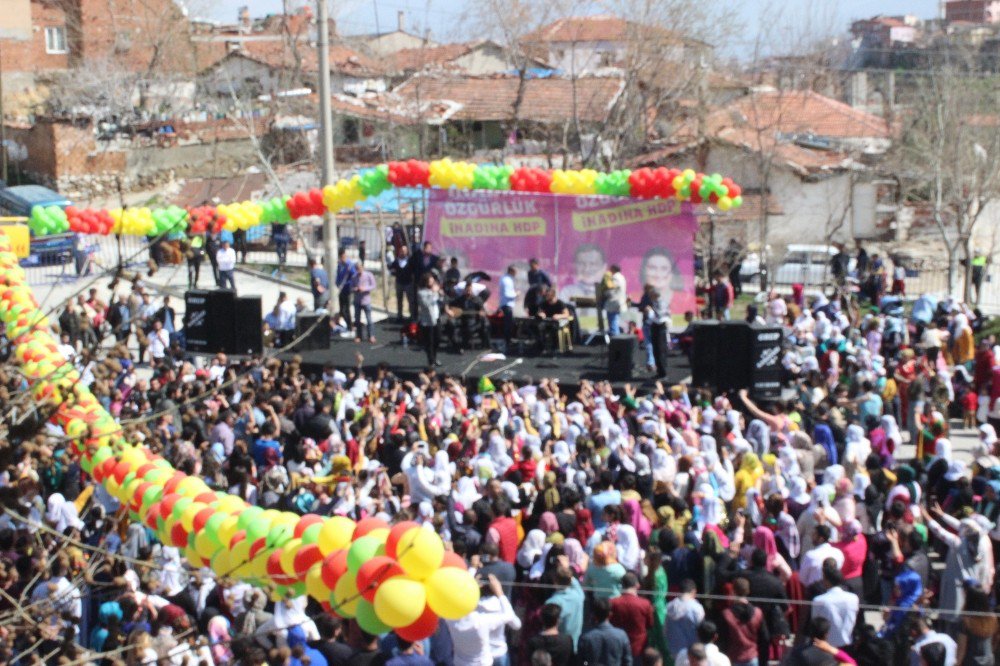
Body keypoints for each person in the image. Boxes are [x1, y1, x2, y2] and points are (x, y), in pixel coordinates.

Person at [446, 574, 516, 666]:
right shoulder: (481, 621)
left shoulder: (450, 618)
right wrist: (500, 593)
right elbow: (509, 615)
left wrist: (470, 586)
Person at [810, 563, 858, 648]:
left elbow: (815, 623)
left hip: (826, 646)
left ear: (827, 581)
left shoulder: (819, 600)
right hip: (848, 644)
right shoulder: (854, 598)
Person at [719, 578, 765, 666]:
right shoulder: (757, 613)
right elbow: (764, 638)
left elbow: (723, 639)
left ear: (733, 591)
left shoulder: (726, 614)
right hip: (753, 658)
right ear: (748, 591)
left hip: (734, 658)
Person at [609, 572, 653, 660]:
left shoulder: (612, 602)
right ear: (637, 585)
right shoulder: (645, 604)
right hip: (638, 648)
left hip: (617, 647)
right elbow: (650, 625)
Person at [578, 597, 632, 666]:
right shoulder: (621, 635)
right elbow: (627, 661)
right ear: (610, 614)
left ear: (593, 615)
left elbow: (581, 661)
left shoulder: (585, 637)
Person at [666, 579, 705, 657]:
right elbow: (702, 632)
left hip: (674, 653)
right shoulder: (696, 608)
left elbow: (665, 630)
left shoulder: (669, 606)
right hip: (692, 654)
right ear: (694, 592)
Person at [417, 273, 443, 367]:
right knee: (430, 342)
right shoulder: (421, 292)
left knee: (438, 339)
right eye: (430, 281)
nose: (432, 283)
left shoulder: (433, 291)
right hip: (428, 321)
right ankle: (431, 360)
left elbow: (440, 300)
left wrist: (440, 294)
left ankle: (435, 357)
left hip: (436, 318)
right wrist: (434, 292)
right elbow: (426, 304)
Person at [535, 288, 571, 354]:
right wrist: (541, 314)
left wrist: (559, 316)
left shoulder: (560, 303)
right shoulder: (544, 303)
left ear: (552, 296)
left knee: (555, 328)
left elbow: (567, 314)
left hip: (558, 321)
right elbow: (540, 312)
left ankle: (555, 347)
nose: (546, 297)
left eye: (548, 296)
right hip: (548, 321)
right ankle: (542, 347)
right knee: (540, 327)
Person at [389, 244, 416, 321]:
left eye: (404, 251)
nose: (403, 252)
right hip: (399, 283)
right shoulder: (396, 261)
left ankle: (412, 316)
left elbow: (413, 270)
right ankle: (399, 315)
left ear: (407, 252)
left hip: (408, 283)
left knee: (410, 300)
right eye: (401, 251)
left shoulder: (410, 261)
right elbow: (391, 269)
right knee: (399, 300)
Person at [353, 263, 377, 344]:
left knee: (369, 319)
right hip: (357, 301)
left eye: (360, 268)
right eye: (357, 268)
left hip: (366, 300)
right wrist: (355, 289)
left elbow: (373, 285)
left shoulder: (369, 275)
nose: (358, 270)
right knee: (357, 319)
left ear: (362, 267)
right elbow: (351, 287)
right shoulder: (354, 277)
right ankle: (358, 336)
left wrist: (365, 289)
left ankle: (371, 335)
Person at [336, 249, 358, 333]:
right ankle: (346, 324)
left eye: (343, 256)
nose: (342, 258)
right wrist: (337, 283)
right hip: (341, 289)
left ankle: (350, 326)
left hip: (347, 290)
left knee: (346, 309)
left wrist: (349, 285)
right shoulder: (340, 264)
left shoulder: (349, 265)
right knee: (341, 309)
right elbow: (338, 275)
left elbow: (354, 276)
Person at [603, 265, 628, 336]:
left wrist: (604, 293)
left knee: (613, 322)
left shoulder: (615, 277)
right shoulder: (621, 277)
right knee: (615, 321)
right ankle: (616, 340)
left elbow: (611, 290)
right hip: (618, 303)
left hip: (614, 303)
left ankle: (615, 340)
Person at [499, 265, 518, 352]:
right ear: (511, 271)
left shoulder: (507, 279)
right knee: (508, 324)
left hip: (508, 304)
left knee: (510, 323)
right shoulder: (506, 280)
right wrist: (516, 294)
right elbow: (507, 294)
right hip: (507, 304)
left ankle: (508, 340)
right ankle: (507, 341)